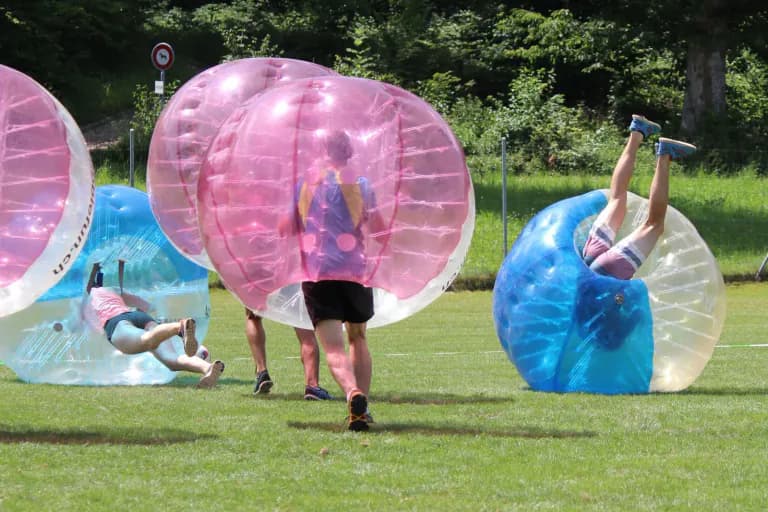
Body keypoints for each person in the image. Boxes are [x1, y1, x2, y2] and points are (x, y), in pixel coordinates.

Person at [280, 130, 387, 431]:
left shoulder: (307, 184)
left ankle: (351, 393)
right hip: (355, 271)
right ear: (349, 151)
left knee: (333, 348)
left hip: (318, 274)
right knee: (358, 337)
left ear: (322, 151)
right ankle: (361, 407)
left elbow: (285, 227)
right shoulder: (362, 184)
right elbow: (378, 226)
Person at [582, 115, 697, 279]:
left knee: (654, 225)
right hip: (587, 257)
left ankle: (665, 155)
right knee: (617, 198)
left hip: (609, 273)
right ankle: (637, 131)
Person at [85, 262, 225, 388]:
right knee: (171, 360)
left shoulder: (86, 298)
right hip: (138, 316)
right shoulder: (114, 290)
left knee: (146, 340)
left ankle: (179, 328)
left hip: (117, 323)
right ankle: (208, 368)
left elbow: (86, 326)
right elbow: (147, 306)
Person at [245, 308, 333, 400]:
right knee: (301, 322)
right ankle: (312, 386)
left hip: (259, 293)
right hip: (290, 294)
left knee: (253, 317)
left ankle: (261, 371)